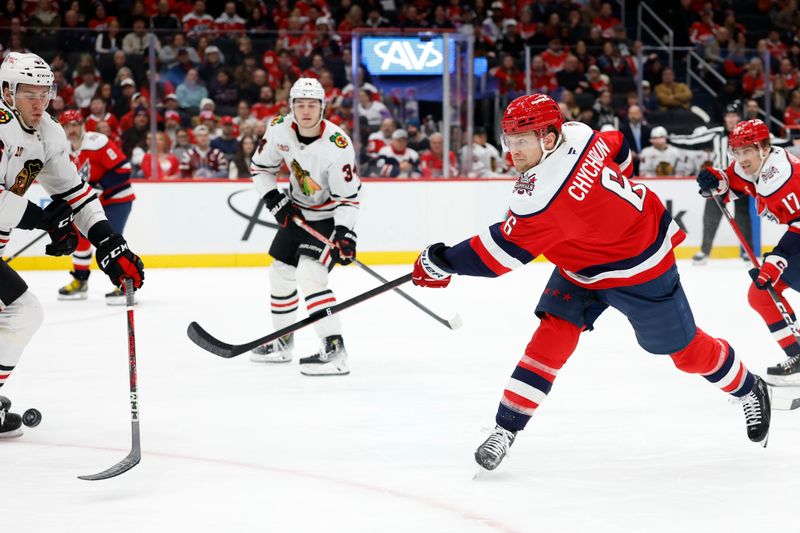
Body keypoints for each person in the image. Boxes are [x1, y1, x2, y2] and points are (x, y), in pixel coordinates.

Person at [410, 94, 771, 471]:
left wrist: (441, 263)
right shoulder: (579, 134)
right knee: (552, 335)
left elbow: (498, 255)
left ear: (549, 139)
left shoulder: (545, 196)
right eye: (509, 140)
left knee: (684, 352)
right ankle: (506, 428)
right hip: (581, 263)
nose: (512, 151)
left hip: (640, 266)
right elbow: (619, 144)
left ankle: (748, 386)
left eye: (522, 141)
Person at [0, 52, 144, 436]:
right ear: (6, 91)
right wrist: (44, 219)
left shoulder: (47, 131)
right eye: (28, 92)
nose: (39, 101)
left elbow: (76, 194)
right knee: (21, 312)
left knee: (22, 313)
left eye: (44, 92)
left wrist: (110, 242)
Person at [249, 78, 360, 376]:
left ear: (322, 108)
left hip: (326, 216)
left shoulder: (338, 145)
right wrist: (274, 198)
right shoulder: (279, 128)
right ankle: (282, 342)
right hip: (297, 211)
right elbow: (260, 169)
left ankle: (334, 349)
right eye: (300, 104)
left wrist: (345, 233)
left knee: (311, 275)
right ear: (291, 107)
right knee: (281, 275)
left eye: (312, 105)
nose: (306, 111)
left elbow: (348, 199)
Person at [697, 119, 800, 383]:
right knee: (762, 295)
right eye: (737, 151)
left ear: (764, 148)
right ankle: (797, 353)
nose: (741, 159)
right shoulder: (755, 166)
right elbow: (731, 183)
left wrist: (778, 258)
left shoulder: (787, 176)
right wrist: (715, 180)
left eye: (747, 151)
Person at [57, 110, 135, 304]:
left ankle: (127, 283)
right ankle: (80, 281)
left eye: (75, 125)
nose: (71, 130)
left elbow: (124, 169)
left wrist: (102, 186)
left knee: (111, 241)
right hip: (89, 200)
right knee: (80, 239)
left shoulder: (97, 141)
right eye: (67, 126)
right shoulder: (62, 148)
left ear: (83, 124)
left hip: (117, 199)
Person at [670, 104, 754, 264]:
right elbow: (692, 141)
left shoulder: (747, 136)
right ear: (724, 119)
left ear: (739, 118)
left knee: (743, 216)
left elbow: (767, 144)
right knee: (710, 217)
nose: (731, 119)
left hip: (740, 179)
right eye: (728, 116)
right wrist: (670, 139)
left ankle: (747, 251)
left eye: (734, 116)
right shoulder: (716, 134)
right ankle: (704, 250)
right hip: (718, 180)